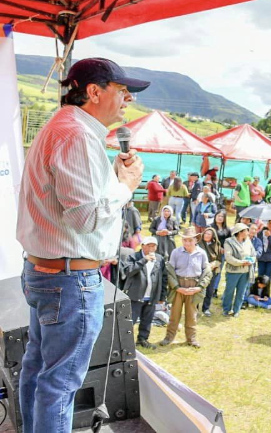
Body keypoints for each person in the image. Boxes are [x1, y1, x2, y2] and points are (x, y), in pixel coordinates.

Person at [15, 57, 148, 432]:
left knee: (38, 369)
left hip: (49, 271)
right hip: (69, 279)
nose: (128, 100)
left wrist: (116, 179)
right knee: (59, 384)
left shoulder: (66, 128)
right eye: (122, 91)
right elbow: (85, 217)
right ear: (94, 92)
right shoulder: (76, 135)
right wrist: (127, 185)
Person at [122, 236, 167, 349]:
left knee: (147, 320)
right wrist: (144, 260)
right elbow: (128, 271)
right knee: (129, 321)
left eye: (154, 246)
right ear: (143, 246)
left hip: (151, 296)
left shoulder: (159, 259)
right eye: (149, 245)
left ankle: (143, 339)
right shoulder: (133, 257)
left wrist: (162, 296)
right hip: (135, 295)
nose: (151, 248)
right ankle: (124, 342)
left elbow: (163, 277)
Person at [223, 223, 257, 317]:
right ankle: (226, 309)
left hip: (245, 271)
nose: (248, 232)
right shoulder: (228, 242)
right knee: (229, 291)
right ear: (240, 232)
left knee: (241, 292)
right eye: (246, 230)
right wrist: (241, 262)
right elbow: (229, 257)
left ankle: (236, 310)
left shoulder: (248, 241)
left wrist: (252, 261)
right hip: (233, 271)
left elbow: (253, 254)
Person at [198, 227, 222, 317]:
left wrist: (213, 264)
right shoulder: (198, 244)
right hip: (200, 270)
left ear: (213, 236)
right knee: (199, 290)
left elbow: (219, 259)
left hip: (212, 271)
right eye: (205, 233)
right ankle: (195, 308)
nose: (206, 235)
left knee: (210, 290)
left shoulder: (217, 245)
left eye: (209, 234)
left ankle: (206, 308)